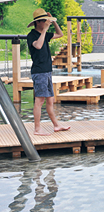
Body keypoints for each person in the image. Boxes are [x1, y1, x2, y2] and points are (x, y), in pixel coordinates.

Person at [27, 8, 70, 136]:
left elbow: (60, 34)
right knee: (39, 101)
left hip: (47, 72)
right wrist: (45, 30)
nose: (47, 23)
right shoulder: (32, 35)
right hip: (39, 72)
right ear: (38, 22)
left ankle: (56, 125)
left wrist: (54, 21)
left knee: (50, 100)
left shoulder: (45, 34)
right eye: (45, 21)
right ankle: (37, 128)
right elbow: (38, 46)